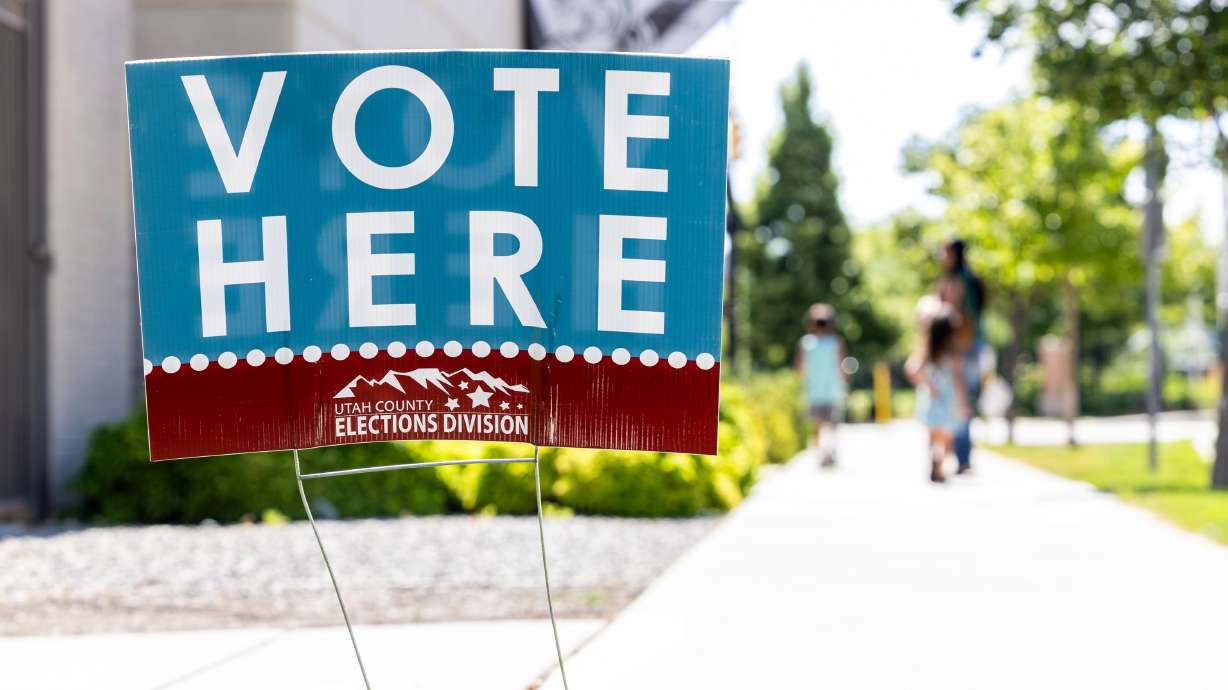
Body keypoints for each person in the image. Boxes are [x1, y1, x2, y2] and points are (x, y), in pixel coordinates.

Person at [906, 298, 969, 483]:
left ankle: (934, 457)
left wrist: (927, 385)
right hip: (948, 402)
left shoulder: (927, 353)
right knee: (945, 437)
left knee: (932, 436)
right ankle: (940, 463)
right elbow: (958, 381)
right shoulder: (953, 356)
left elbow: (911, 369)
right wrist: (963, 403)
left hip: (931, 401)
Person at [937, 238, 986, 475]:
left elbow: (953, 314)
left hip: (961, 347)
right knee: (959, 400)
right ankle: (960, 456)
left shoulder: (959, 280)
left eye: (944, 252)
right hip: (964, 346)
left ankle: (962, 456)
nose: (940, 256)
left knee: (959, 400)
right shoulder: (964, 278)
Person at [795, 303, 848, 467]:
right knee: (832, 425)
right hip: (833, 390)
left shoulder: (806, 343)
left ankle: (821, 455)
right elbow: (842, 367)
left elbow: (799, 369)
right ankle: (830, 451)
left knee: (817, 425)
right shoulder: (836, 342)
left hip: (814, 391)